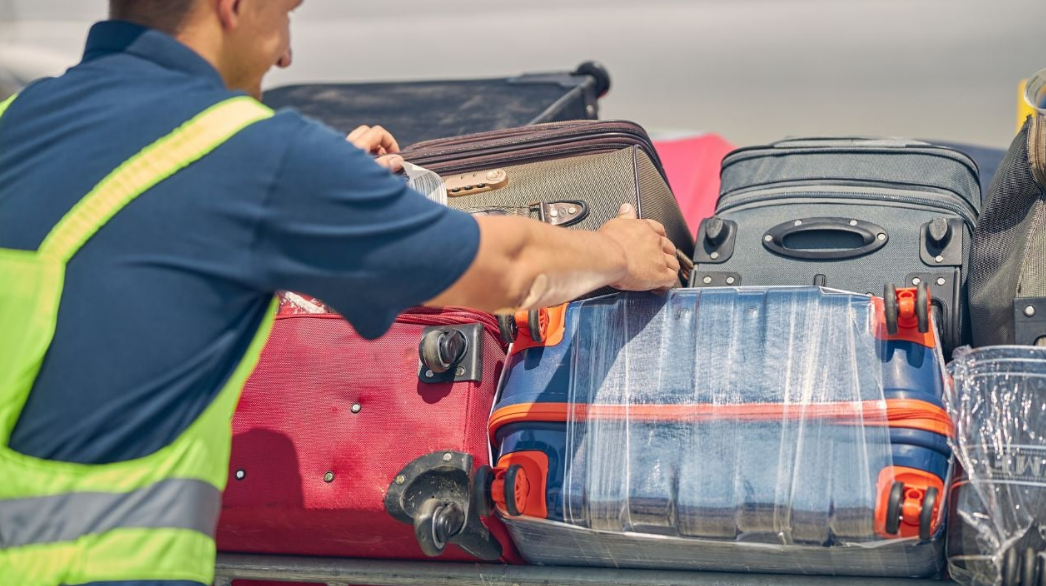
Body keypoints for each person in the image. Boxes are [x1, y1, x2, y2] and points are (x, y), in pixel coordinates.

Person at [0, 1, 679, 585]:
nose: (287, 56)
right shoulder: (246, 155)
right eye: (285, 14)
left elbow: (120, 272)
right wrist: (618, 252)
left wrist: (325, 198)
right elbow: (509, 268)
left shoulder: (16, 120)